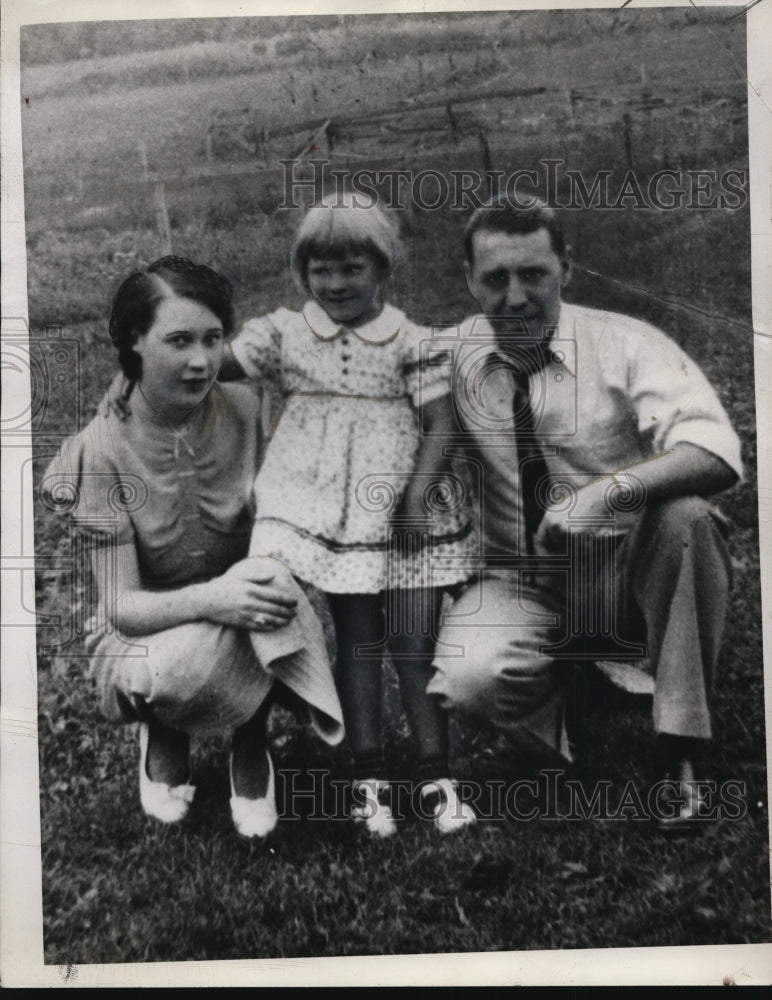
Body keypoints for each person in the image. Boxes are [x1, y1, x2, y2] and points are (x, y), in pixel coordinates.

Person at [426, 199, 742, 829]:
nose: (516, 297)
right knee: (470, 678)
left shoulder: (625, 344)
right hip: (524, 581)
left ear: (565, 268)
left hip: (625, 572)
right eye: (495, 279)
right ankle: (565, 721)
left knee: (686, 518)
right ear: (469, 280)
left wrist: (606, 493)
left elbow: (717, 451)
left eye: (534, 274)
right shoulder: (445, 359)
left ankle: (678, 750)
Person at [42, 256, 344, 838]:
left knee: (271, 585)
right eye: (177, 341)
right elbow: (121, 606)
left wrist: (250, 583)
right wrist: (216, 599)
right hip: (146, 629)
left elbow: (333, 348)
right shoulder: (102, 448)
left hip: (253, 605)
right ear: (135, 342)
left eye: (212, 339)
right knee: (180, 662)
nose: (201, 360)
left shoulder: (249, 405)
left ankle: (251, 744)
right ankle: (166, 728)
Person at [217, 193, 478, 836]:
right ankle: (367, 778)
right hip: (322, 509)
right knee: (357, 641)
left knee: (416, 644)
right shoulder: (285, 334)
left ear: (382, 268)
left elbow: (442, 424)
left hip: (400, 512)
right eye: (320, 270)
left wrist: (419, 495)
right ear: (303, 271)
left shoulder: (410, 342)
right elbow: (213, 363)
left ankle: (435, 775)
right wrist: (144, 361)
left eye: (351, 268)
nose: (334, 284)